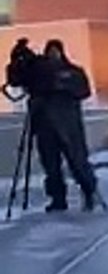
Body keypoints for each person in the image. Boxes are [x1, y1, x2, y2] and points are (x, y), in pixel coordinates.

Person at [16, 40, 97, 212]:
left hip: (68, 125)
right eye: (49, 52)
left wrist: (59, 85)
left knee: (77, 161)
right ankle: (58, 199)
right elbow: (19, 81)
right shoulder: (38, 73)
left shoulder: (72, 72)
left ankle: (89, 191)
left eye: (55, 51)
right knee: (50, 165)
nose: (53, 55)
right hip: (45, 127)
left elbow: (83, 91)